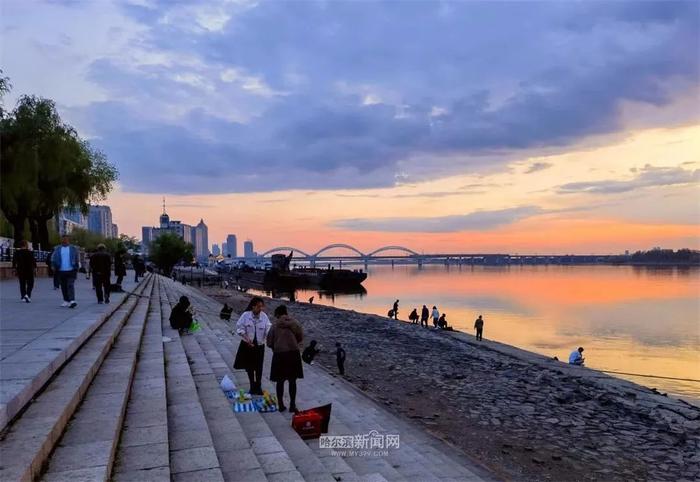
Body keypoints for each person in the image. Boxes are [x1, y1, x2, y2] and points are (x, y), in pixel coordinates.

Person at [266, 305, 303, 413]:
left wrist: (275, 346)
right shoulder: (295, 323)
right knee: (292, 381)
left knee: (280, 381)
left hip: (280, 355)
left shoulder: (274, 326)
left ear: (277, 314)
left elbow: (269, 342)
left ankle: (281, 404)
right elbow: (300, 337)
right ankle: (292, 404)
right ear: (286, 313)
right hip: (293, 354)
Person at [234, 297, 271, 395]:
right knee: (249, 367)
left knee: (259, 367)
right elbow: (239, 327)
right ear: (253, 306)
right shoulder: (246, 315)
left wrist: (270, 337)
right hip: (247, 345)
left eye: (262, 307)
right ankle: (252, 386)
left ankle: (258, 387)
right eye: (258, 307)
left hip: (259, 346)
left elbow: (268, 329)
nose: (260, 309)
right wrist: (246, 338)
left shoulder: (264, 317)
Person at [51, 235, 80, 308]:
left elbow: (77, 258)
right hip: (61, 270)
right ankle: (66, 300)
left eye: (66, 239)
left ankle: (72, 300)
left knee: (70, 285)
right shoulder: (57, 248)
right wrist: (53, 266)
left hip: (71, 270)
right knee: (63, 286)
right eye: (63, 239)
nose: (64, 240)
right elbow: (53, 258)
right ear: (61, 240)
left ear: (69, 240)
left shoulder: (73, 248)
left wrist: (78, 265)